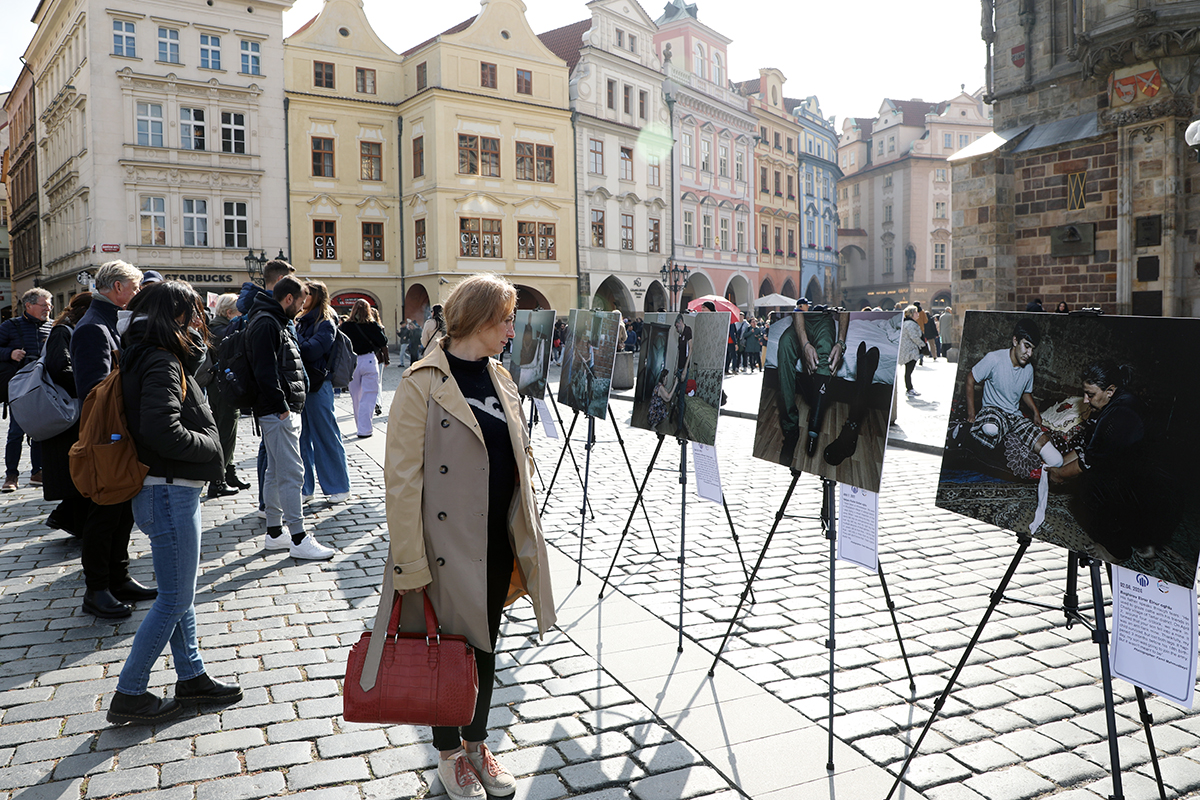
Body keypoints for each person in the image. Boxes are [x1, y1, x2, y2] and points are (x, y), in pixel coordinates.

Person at [380, 273, 555, 800]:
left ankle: (477, 745)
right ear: (478, 319)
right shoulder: (421, 382)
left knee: (484, 646)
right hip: (443, 548)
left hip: (496, 541)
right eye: (505, 318)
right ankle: (449, 755)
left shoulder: (500, 377)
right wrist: (410, 562)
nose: (511, 327)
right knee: (442, 652)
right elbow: (402, 480)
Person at [106, 280, 241, 724]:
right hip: (169, 489)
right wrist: (212, 447)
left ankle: (192, 677)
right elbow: (162, 430)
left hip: (165, 489)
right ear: (177, 318)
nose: (198, 323)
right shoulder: (161, 360)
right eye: (192, 316)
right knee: (175, 598)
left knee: (178, 594)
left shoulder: (145, 351)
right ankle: (130, 691)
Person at [72, 261, 153, 619]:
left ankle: (118, 578)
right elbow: (95, 390)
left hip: (119, 430)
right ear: (117, 287)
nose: (136, 294)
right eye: (134, 288)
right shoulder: (92, 327)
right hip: (107, 434)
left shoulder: (108, 321)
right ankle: (97, 588)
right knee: (104, 513)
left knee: (122, 512)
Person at [1048, 362, 1180, 561]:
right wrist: (1058, 463)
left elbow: (1087, 462)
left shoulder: (1119, 416)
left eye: (1090, 395)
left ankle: (1116, 550)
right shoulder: (1119, 402)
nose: (1085, 400)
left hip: (1162, 497)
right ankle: (1148, 541)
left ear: (1109, 391)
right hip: (1158, 490)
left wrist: (1058, 474)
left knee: (1088, 485)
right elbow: (1087, 446)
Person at [247, 275, 335, 560]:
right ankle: (298, 537)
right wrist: (282, 406)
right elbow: (264, 370)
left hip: (279, 409)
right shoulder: (267, 322)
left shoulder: (272, 319)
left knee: (275, 471)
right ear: (288, 298)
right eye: (300, 301)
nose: (302, 306)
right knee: (292, 473)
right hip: (277, 411)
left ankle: (275, 532)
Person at [963, 319, 1064, 470]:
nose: (1029, 354)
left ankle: (1014, 435)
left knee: (1057, 460)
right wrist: (971, 413)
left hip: (1015, 416)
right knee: (991, 429)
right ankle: (1004, 431)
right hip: (993, 410)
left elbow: (1025, 393)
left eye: (1032, 349)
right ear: (1015, 340)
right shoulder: (994, 358)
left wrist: (1036, 413)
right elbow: (970, 379)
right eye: (1027, 346)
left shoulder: (1028, 369)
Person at [41, 293, 93, 536]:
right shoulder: (63, 331)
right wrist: (90, 388)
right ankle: (72, 520)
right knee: (74, 466)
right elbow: (61, 367)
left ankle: (67, 517)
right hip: (68, 410)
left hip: (73, 408)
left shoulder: (68, 329)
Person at [297, 281, 352, 504]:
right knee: (302, 439)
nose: (302, 297)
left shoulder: (326, 322)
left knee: (326, 436)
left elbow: (311, 351)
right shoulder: (300, 321)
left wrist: (293, 335)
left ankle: (339, 487)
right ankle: (305, 489)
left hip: (319, 386)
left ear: (317, 297)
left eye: (307, 294)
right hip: (302, 385)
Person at [0, 288, 54, 491]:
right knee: (16, 431)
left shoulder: (53, 326)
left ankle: (37, 472)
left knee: (41, 430)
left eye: (49, 304)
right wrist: (10, 353)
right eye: (44, 304)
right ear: (29, 305)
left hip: (44, 387)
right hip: (19, 387)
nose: (48, 308)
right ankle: (11, 475)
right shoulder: (10, 326)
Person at [207, 294, 249, 495]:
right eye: (239, 311)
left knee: (227, 430)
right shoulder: (220, 329)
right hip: (223, 387)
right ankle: (217, 481)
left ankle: (228, 473)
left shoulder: (217, 326)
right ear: (229, 312)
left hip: (220, 386)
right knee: (225, 432)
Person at [341, 300, 389, 438]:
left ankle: (360, 427)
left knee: (356, 397)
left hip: (352, 362)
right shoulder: (371, 324)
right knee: (369, 396)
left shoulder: (346, 326)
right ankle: (365, 429)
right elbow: (383, 341)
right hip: (368, 360)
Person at [898, 306, 924, 397]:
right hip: (910, 350)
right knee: (909, 371)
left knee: (908, 371)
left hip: (908, 349)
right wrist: (922, 345)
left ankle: (910, 388)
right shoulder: (910, 324)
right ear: (911, 314)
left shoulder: (908, 323)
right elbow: (914, 337)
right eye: (916, 312)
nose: (918, 314)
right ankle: (909, 389)